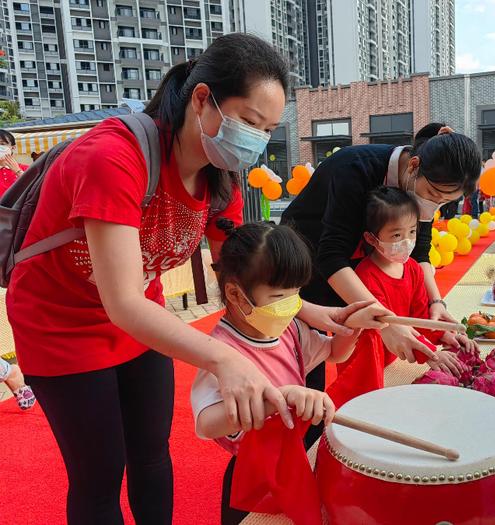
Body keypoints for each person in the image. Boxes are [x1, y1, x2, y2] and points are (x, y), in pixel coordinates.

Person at [6, 33, 382, 525]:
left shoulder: (219, 178)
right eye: (248, 121)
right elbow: (121, 301)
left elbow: (243, 281)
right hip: (61, 326)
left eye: (267, 129)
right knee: (99, 473)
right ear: (203, 99)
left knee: (151, 454)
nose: (257, 139)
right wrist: (224, 357)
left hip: (142, 321)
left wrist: (319, 313)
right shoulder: (112, 157)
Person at [281, 122, 481, 444]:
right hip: (305, 268)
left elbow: (421, 250)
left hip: (351, 278)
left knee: (344, 351)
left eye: (445, 202)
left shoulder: (420, 184)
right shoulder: (354, 168)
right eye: (432, 195)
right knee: (307, 382)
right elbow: (331, 256)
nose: (433, 206)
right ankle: (300, 459)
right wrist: (385, 320)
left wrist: (436, 304)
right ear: (413, 167)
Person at [190, 219, 362, 523]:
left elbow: (334, 353)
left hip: (291, 460)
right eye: (278, 297)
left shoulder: (288, 328)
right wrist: (278, 398)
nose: (290, 305)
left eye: (295, 293)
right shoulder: (219, 351)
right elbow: (206, 424)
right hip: (251, 475)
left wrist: (353, 325)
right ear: (234, 294)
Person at [341, 187, 477, 378]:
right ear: (371, 238)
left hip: (392, 358)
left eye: (412, 232)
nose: (407, 241)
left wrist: (446, 336)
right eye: (397, 235)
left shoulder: (412, 268)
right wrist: (430, 353)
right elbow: (385, 326)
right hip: (364, 367)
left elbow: (419, 314)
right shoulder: (365, 277)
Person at [0, 129, 29, 195]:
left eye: (2, 144)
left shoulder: (26, 169)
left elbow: (35, 189)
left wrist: (18, 171)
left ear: (13, 147)